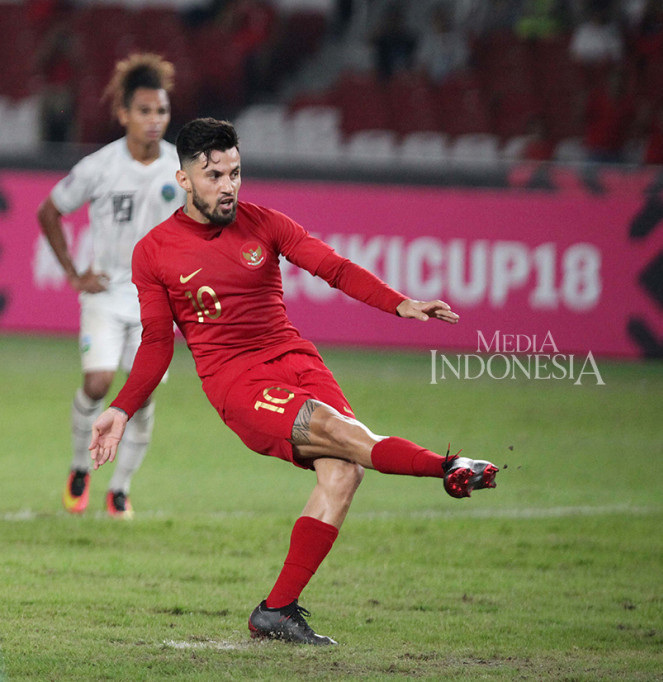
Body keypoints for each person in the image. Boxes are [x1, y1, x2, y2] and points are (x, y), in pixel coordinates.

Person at [89, 117, 499, 645]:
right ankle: (447, 467)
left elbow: (333, 267)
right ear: (185, 179)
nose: (229, 185)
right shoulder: (154, 251)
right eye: (214, 175)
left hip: (294, 357)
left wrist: (400, 302)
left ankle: (277, 611)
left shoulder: (265, 223)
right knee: (345, 434)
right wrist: (121, 408)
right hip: (236, 380)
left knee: (344, 474)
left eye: (235, 172)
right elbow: (156, 344)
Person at [38, 54, 183, 519]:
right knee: (98, 383)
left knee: (140, 396)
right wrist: (73, 272)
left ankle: (119, 489)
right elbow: (49, 211)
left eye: (161, 110)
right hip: (105, 292)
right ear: (123, 113)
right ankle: (81, 466)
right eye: (144, 110)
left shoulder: (181, 168)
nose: (154, 120)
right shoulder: (100, 166)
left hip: (156, 300)